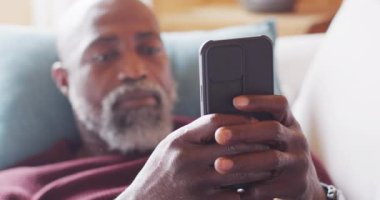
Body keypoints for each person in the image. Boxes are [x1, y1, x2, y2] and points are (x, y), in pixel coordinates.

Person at [0, 0, 336, 199]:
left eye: (149, 50)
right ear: (64, 80)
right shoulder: (22, 186)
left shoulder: (262, 145)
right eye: (103, 57)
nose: (134, 71)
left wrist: (316, 195)